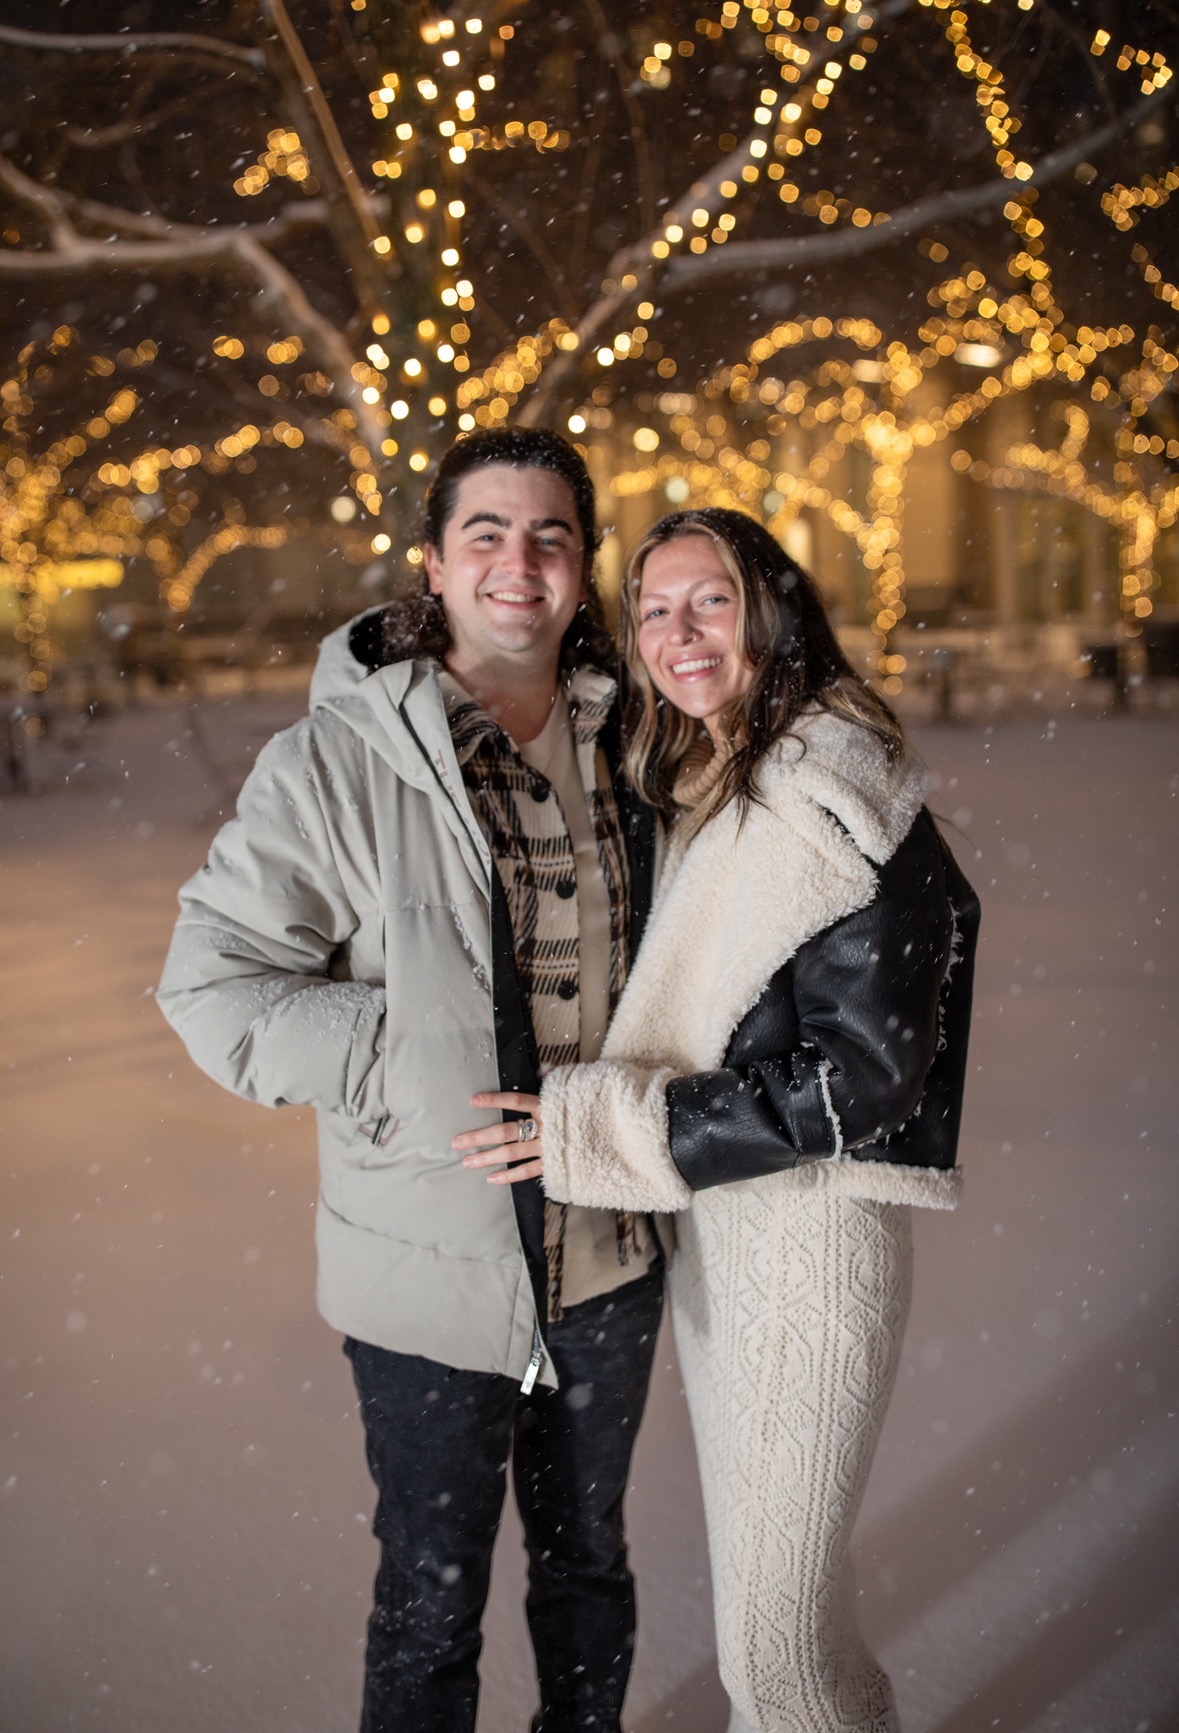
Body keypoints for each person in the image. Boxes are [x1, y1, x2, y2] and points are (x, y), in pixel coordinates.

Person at [157, 428, 667, 1733]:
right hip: (428, 1275)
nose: (518, 562)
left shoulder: (639, 746)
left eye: (550, 534)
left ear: (583, 565)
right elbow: (213, 988)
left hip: (610, 1256)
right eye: (484, 533)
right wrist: (413, 1063)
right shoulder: (336, 762)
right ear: (432, 564)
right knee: (432, 1612)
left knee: (589, 1571)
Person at [456, 507, 980, 1733]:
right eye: (653, 608)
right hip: (726, 1249)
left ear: (771, 612)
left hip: (810, 1250)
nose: (677, 633)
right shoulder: (712, 776)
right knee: (788, 1627)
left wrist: (609, 1128)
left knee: (775, 1651)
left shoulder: (834, 794)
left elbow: (862, 1078)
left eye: (710, 601)